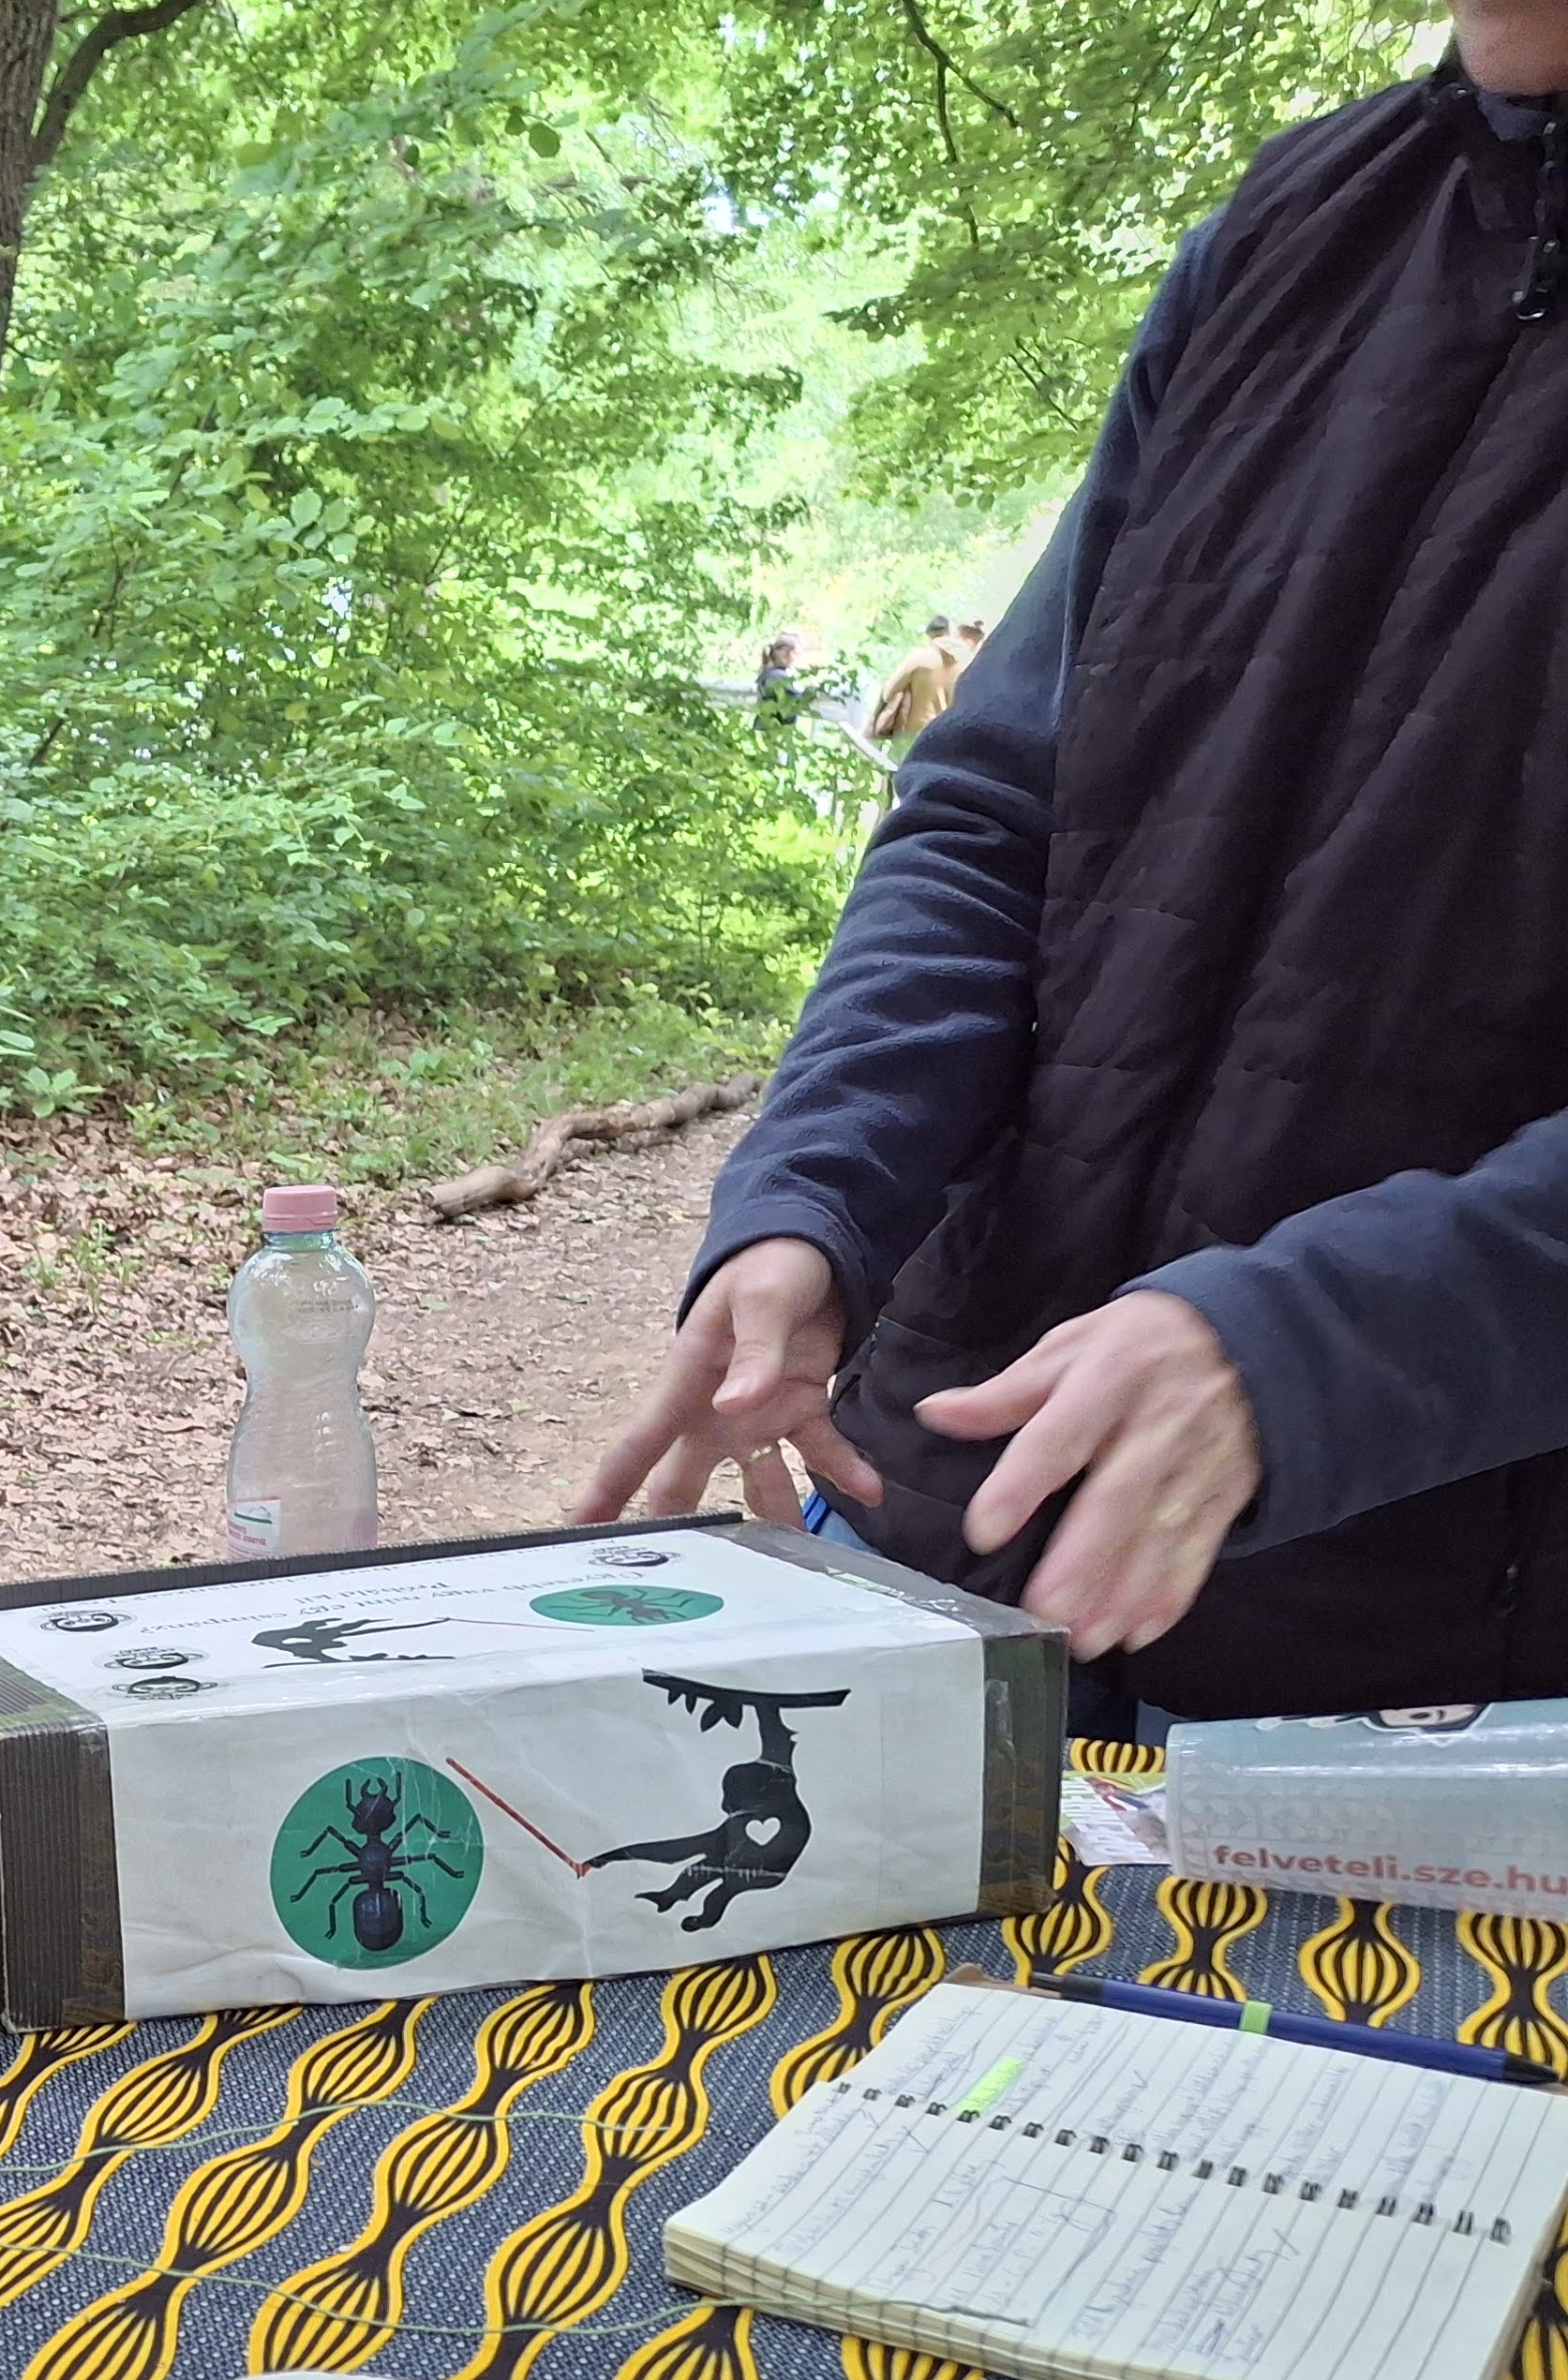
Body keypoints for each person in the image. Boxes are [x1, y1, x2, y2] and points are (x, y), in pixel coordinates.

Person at [579, 11, 1568, 1725]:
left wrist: (1319, 1351)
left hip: (1449, 1709)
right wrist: (817, 1197)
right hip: (950, 1553)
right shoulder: (1287, 231)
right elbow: (996, 815)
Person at [862, 617, 959, 759]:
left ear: (930, 634)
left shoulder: (920, 657)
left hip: (911, 737)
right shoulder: (962, 665)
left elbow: (888, 692)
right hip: (940, 739)